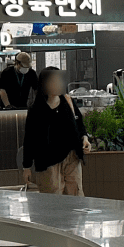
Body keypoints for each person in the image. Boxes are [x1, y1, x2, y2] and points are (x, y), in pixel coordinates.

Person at [22, 67, 91, 195]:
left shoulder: (68, 102)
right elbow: (29, 139)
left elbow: (79, 125)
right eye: (54, 81)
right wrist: (26, 166)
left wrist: (85, 138)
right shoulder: (36, 110)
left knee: (76, 196)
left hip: (72, 158)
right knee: (53, 199)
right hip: (48, 161)